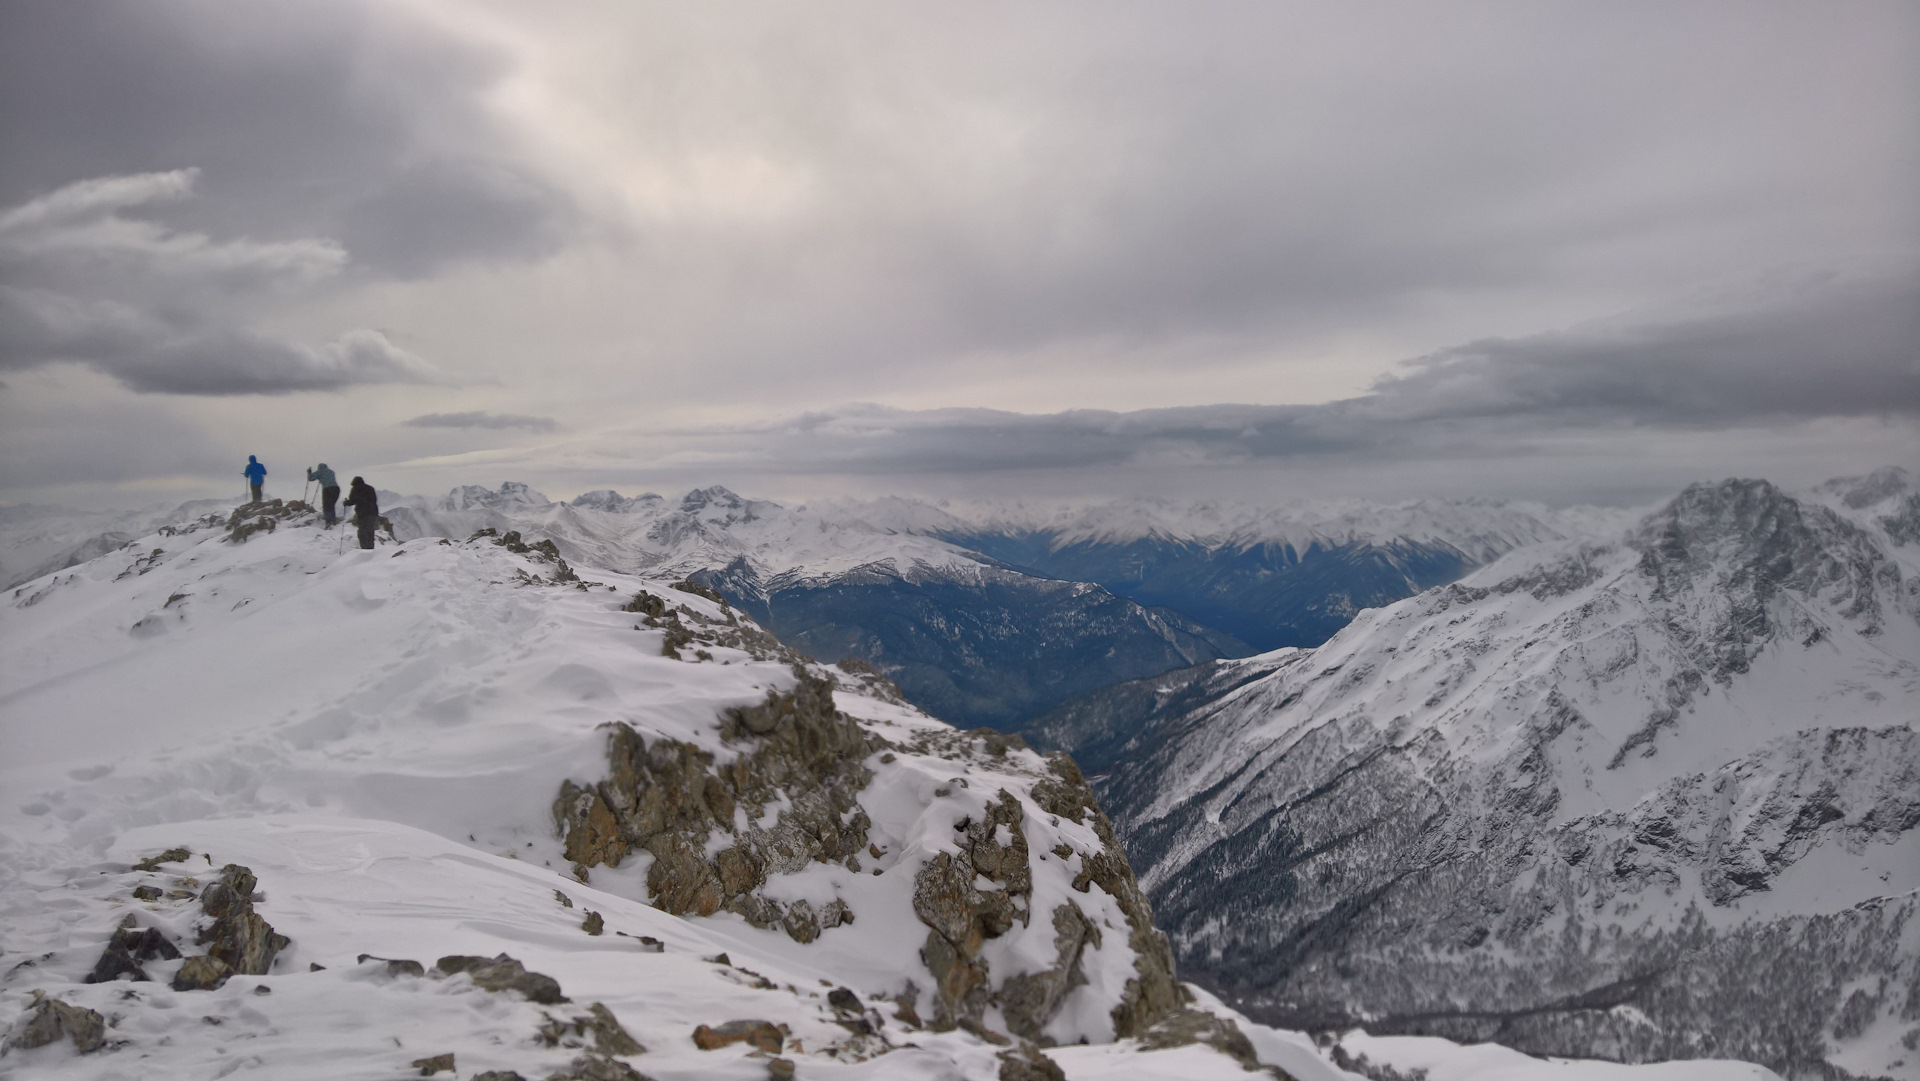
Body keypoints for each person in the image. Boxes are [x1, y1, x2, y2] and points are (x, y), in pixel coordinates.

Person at [343, 476, 380, 550]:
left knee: (363, 531)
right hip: (373, 512)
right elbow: (373, 500)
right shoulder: (370, 488)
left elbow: (353, 500)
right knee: (370, 530)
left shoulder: (355, 489)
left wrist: (346, 502)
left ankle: (364, 547)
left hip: (363, 513)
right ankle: (370, 547)